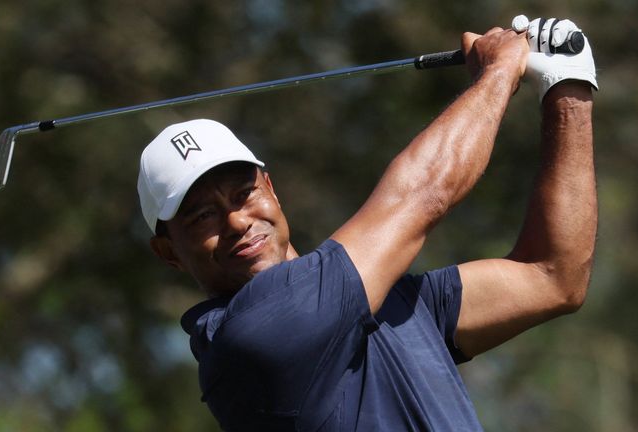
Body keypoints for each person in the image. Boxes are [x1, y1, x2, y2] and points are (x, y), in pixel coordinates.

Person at [137, 15, 598, 432]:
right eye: (202, 215)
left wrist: (568, 89)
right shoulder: (249, 340)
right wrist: (499, 73)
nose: (237, 220)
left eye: (244, 193)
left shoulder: (392, 303)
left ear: (272, 190)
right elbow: (424, 193)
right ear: (170, 252)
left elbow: (554, 277)